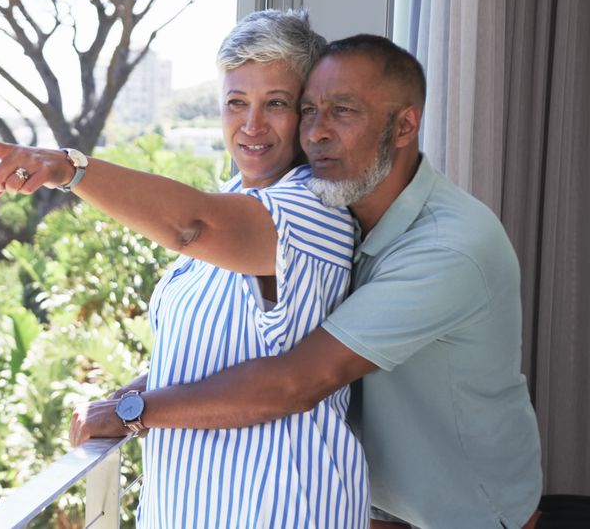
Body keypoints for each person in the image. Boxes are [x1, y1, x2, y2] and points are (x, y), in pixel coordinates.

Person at [70, 34, 544, 529]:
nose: (316, 132)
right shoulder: (335, 210)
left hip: (466, 511)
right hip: (372, 498)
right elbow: (242, 346)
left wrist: (134, 411)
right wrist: (133, 392)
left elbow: (297, 381)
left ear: (403, 125)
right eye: (310, 109)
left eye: (342, 112)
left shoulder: (449, 248)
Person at [0, 9, 370, 528]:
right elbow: (211, 354)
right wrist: (126, 397)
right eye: (235, 103)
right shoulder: (236, 196)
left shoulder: (315, 209)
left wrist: (68, 169)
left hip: (281, 505)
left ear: (309, 115)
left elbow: (191, 226)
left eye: (276, 103)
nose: (251, 126)